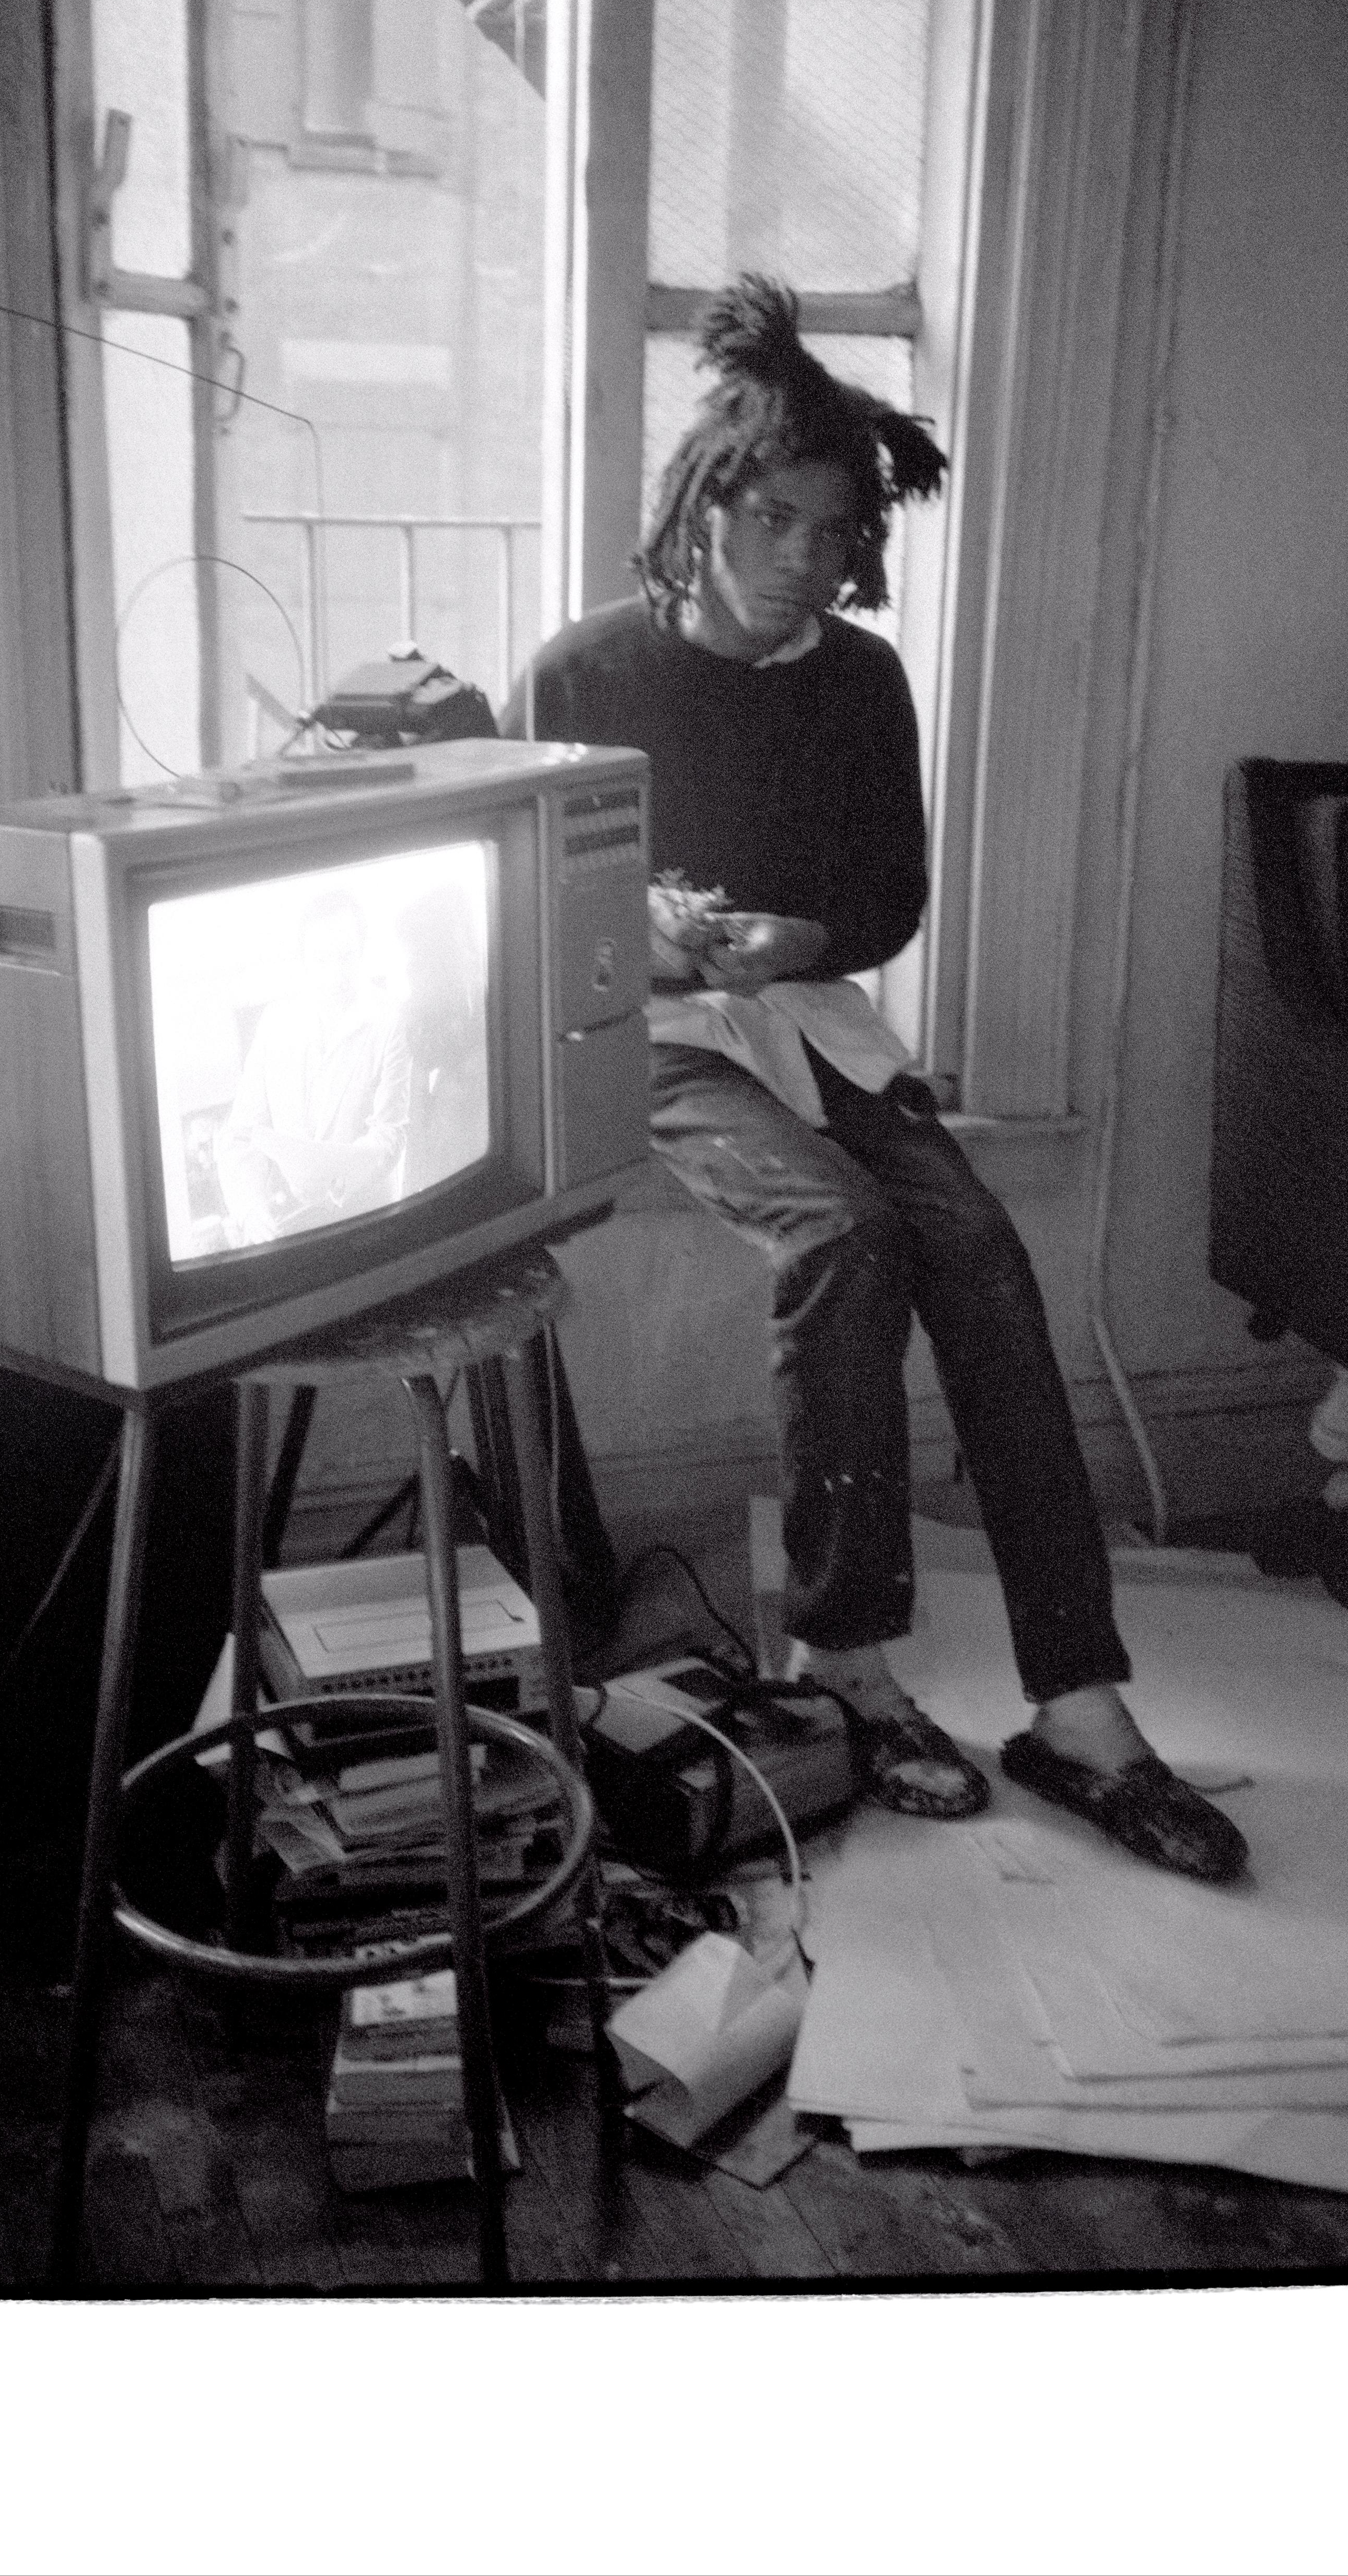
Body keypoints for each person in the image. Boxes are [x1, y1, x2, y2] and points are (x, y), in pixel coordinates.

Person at [502, 277, 1246, 1882]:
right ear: (702, 504)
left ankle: (1079, 1704)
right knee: (840, 1233)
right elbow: (533, 917)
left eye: (835, 536)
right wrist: (658, 940)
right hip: (658, 1040)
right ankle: (842, 1660)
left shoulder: (855, 682)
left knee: (973, 1246)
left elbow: (889, 900)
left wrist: (790, 933)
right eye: (774, 518)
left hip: (813, 1015)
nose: (802, 560)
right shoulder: (579, 678)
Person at [214, 886, 412, 1239]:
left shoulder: (391, 1021)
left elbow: (390, 1132)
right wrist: (251, 1211)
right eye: (321, 960)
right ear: (304, 961)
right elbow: (241, 1135)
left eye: (346, 957)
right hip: (291, 1226)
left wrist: (346, 1172)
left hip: (371, 1223)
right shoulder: (276, 1023)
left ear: (362, 951)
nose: (335, 975)